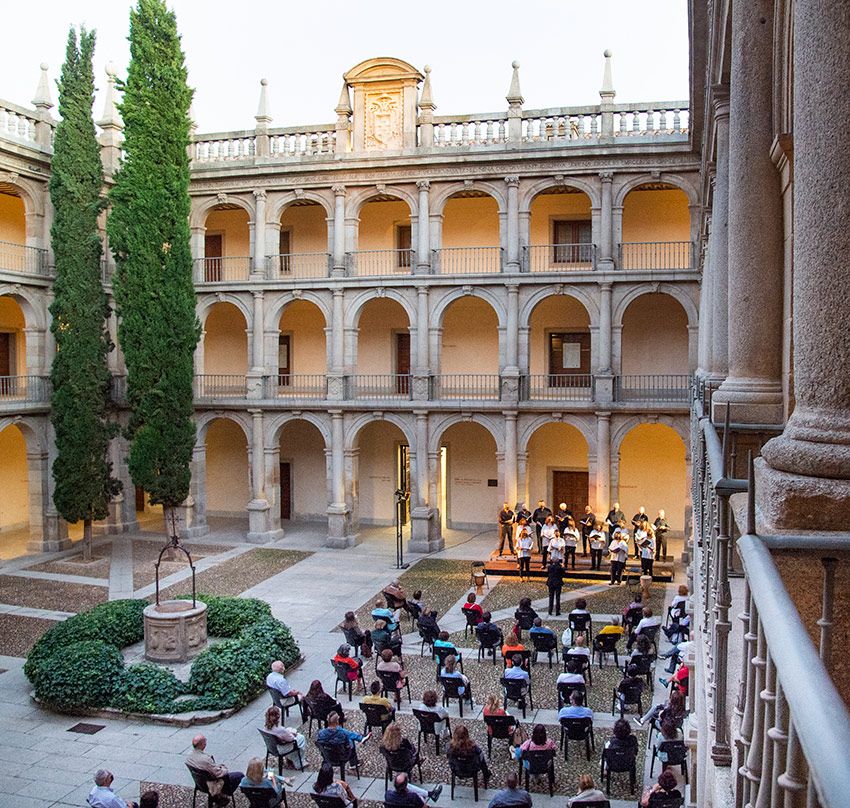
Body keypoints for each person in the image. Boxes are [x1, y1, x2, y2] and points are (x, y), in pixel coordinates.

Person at [186, 735, 243, 805]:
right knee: (239, 775)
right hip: (211, 785)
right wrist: (224, 768)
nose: (206, 743)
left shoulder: (188, 756)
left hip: (200, 784)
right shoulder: (206, 760)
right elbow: (219, 773)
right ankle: (223, 795)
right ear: (201, 745)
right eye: (204, 742)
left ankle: (218, 797)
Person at [263, 706, 306, 771]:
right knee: (301, 738)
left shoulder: (266, 728)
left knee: (289, 730)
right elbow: (291, 739)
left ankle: (290, 759)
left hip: (272, 747)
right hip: (281, 748)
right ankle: (299, 763)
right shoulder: (280, 729)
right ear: (278, 716)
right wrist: (294, 733)